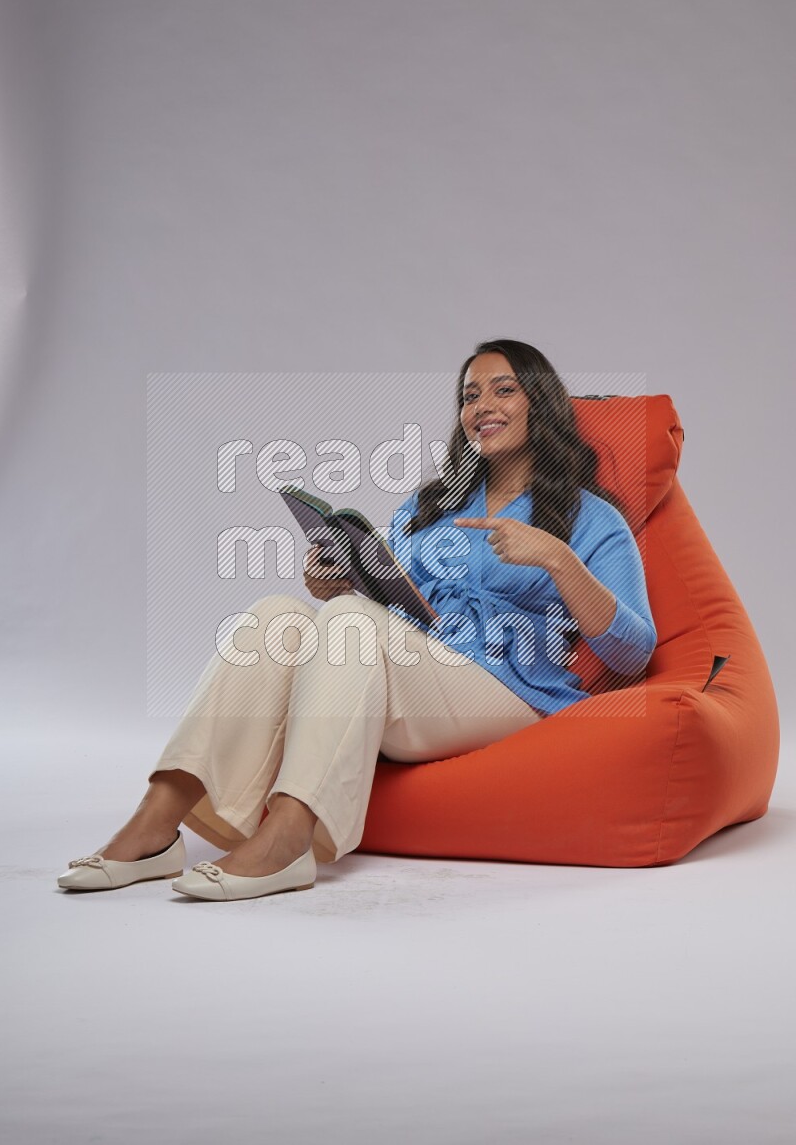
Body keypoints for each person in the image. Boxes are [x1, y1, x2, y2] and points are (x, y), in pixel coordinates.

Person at [57, 340, 657, 901]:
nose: (482, 406)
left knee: (350, 623)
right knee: (277, 616)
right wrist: (339, 582)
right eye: (470, 395)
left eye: (503, 390)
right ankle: (159, 822)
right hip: (419, 674)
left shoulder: (592, 517)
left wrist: (557, 558)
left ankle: (290, 837)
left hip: (509, 691)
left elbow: (635, 651)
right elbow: (388, 609)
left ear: (540, 404)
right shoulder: (430, 507)